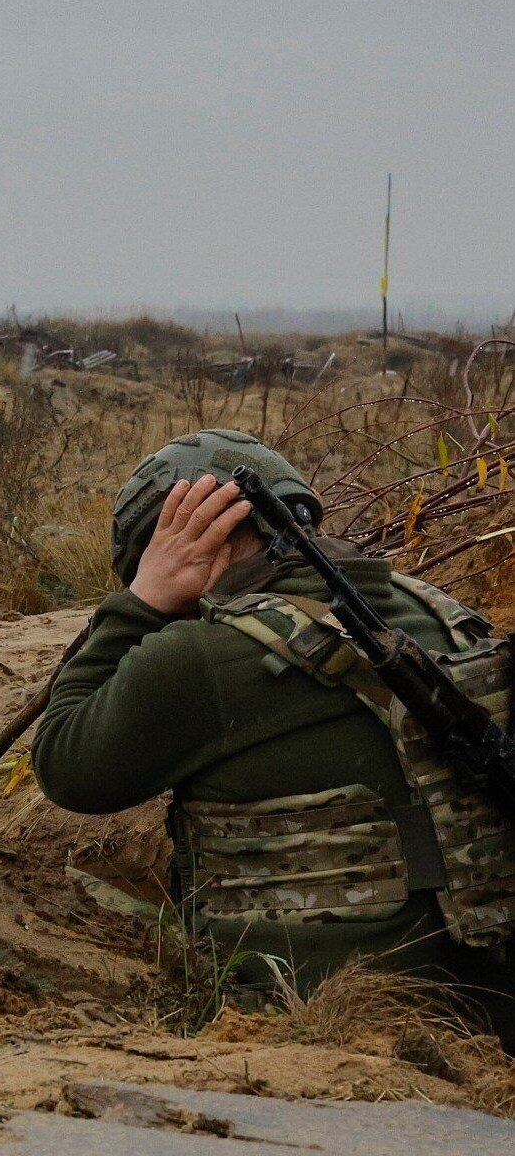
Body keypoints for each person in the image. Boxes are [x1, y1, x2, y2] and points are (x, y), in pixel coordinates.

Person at [34, 429, 515, 1033]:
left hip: (323, 1023)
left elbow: (65, 764)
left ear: (180, 541)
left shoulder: (198, 659)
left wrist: (142, 601)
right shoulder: (437, 612)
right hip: (491, 1008)